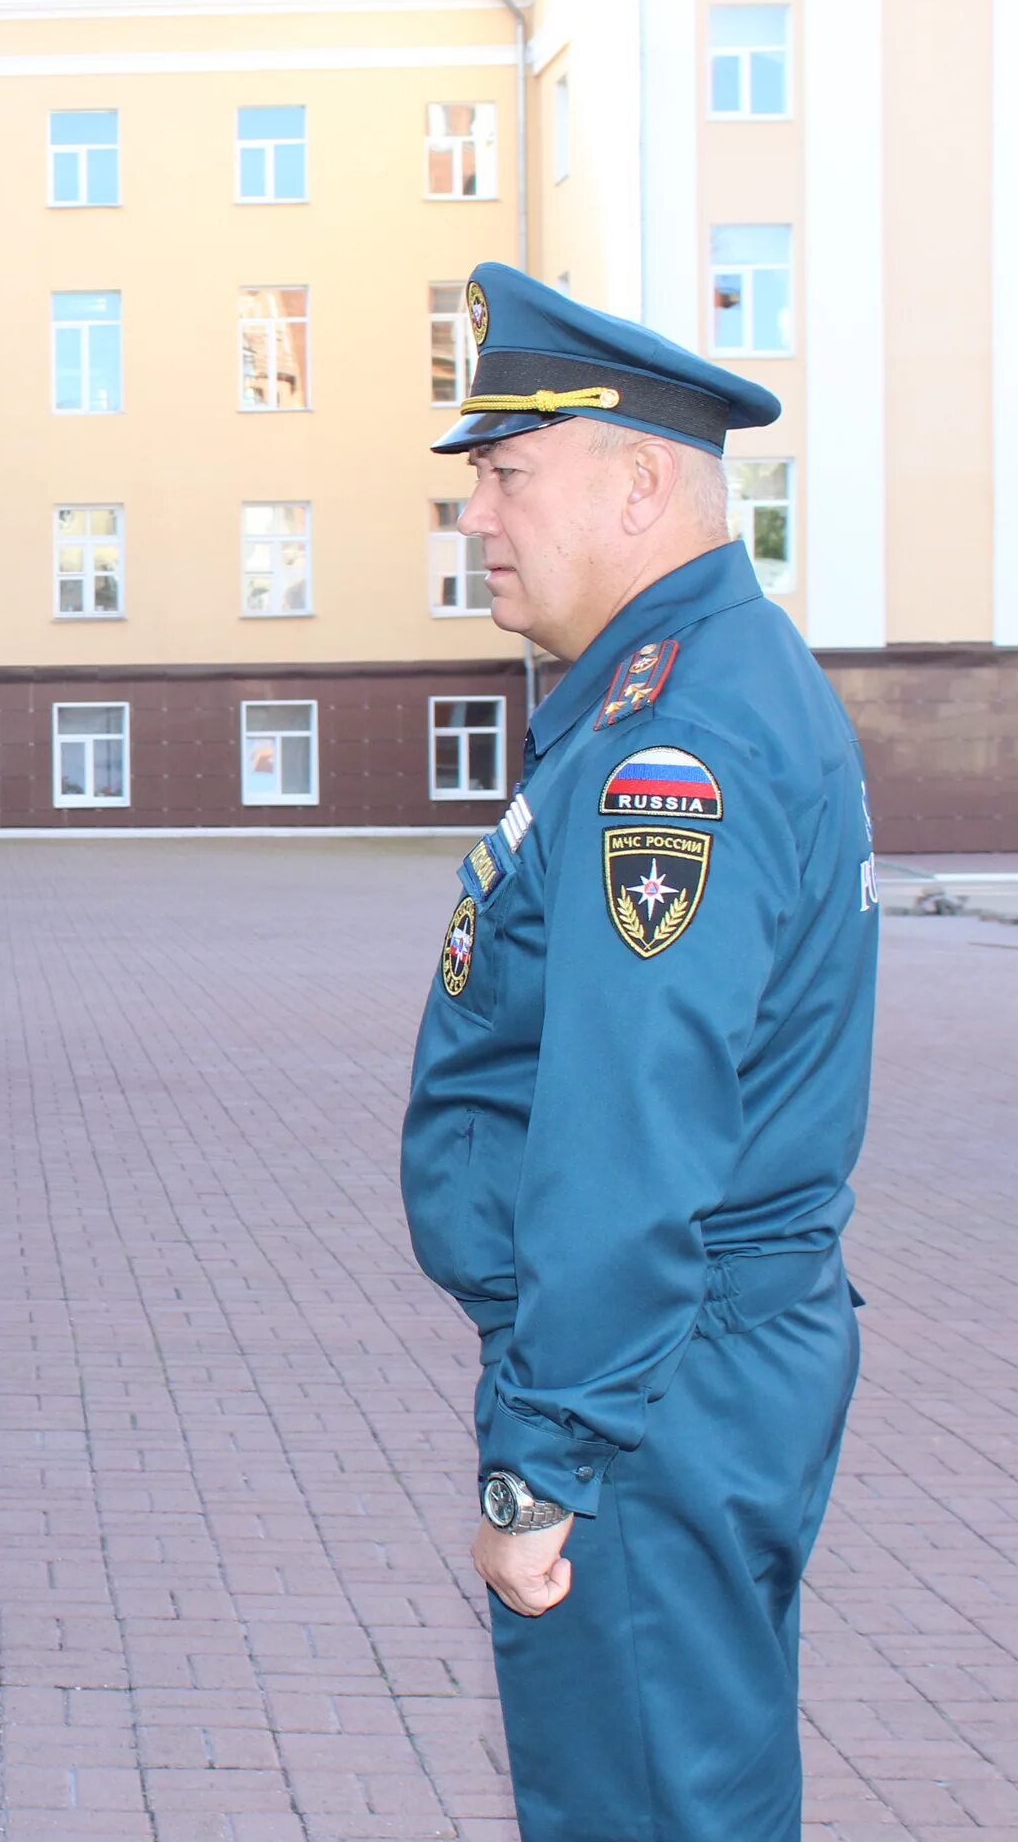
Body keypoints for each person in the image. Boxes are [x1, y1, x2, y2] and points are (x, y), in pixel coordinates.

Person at [401, 263, 876, 1841]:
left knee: (651, 1801)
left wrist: (547, 1453)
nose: (479, 515)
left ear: (642, 482)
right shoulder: (679, 691)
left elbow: (633, 1122)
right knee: (692, 1780)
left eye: (509, 473)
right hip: (687, 1362)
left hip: (652, 1381)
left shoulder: (672, 742)